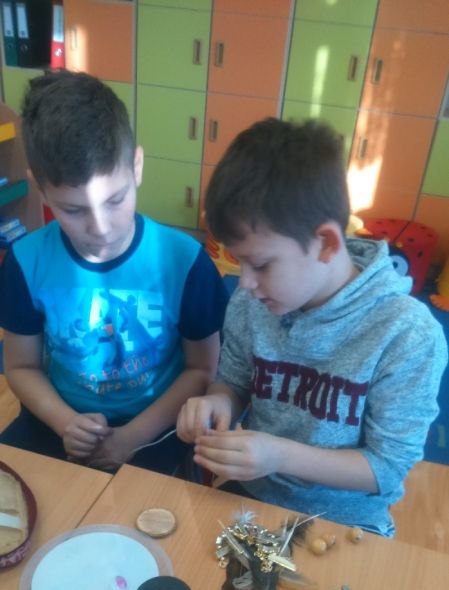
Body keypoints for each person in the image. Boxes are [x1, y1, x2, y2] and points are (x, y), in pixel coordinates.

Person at [176, 117, 447, 536]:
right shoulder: (253, 303)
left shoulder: (407, 334)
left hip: (348, 522)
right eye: (238, 261)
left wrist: (279, 455)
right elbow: (234, 382)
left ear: (326, 244)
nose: (244, 283)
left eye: (260, 264)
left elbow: (387, 469)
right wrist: (218, 402)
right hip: (255, 498)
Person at [0, 70, 228, 473]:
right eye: (74, 210)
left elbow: (201, 369)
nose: (101, 228)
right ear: (41, 190)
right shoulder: (25, 261)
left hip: (156, 428)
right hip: (57, 423)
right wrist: (64, 421)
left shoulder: (186, 262)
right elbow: (21, 366)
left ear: (136, 166)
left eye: (115, 199)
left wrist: (132, 437)